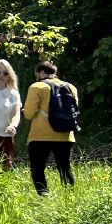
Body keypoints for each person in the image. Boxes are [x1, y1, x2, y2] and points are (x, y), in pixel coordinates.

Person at [23, 60, 78, 195]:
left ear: (41, 72)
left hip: (41, 135)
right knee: (65, 167)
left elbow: (29, 114)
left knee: (38, 168)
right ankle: (70, 197)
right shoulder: (71, 87)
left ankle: (44, 195)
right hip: (65, 135)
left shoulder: (37, 86)